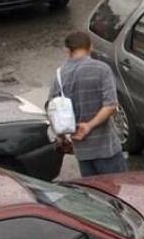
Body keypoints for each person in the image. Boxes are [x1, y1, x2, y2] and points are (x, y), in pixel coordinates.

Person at [46, 32, 126, 177]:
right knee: (119, 192)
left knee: (95, 195)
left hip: (82, 153)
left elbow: (52, 112)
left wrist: (62, 138)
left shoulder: (59, 76)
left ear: (68, 50)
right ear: (90, 47)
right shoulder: (102, 69)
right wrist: (89, 126)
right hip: (107, 148)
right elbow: (111, 105)